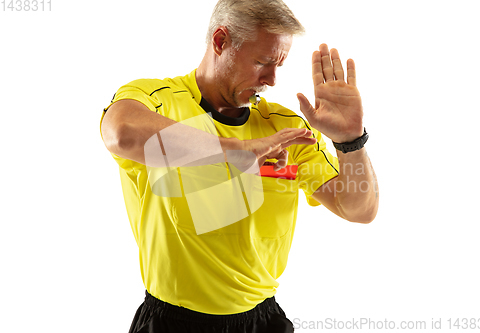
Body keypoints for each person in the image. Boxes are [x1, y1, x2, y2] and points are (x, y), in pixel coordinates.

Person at [100, 0, 379, 332]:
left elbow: (359, 209)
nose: (273, 79)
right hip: (170, 321)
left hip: (262, 321)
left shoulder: (285, 130)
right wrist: (239, 152)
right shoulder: (157, 99)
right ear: (220, 42)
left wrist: (350, 141)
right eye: (262, 62)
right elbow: (120, 133)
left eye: (280, 64)